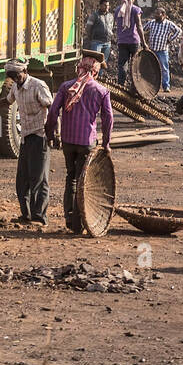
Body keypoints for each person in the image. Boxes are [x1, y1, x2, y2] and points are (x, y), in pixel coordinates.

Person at [46, 50, 114, 232]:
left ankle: (70, 218)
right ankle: (78, 221)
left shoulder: (66, 87)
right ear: (95, 72)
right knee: (82, 181)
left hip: (68, 141)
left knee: (71, 178)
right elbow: (108, 118)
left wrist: (50, 134)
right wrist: (106, 144)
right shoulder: (101, 91)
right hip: (87, 142)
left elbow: (53, 112)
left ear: (80, 69)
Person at [0, 60, 54, 227]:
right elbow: (6, 101)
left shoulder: (38, 86)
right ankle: (27, 215)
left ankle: (39, 217)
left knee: (39, 179)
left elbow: (52, 108)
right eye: (13, 77)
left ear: (25, 70)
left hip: (39, 135)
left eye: (18, 76)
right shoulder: (16, 87)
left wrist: (54, 133)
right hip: (26, 137)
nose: (16, 79)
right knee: (22, 179)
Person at [143, 5, 181, 92]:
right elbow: (143, 29)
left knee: (164, 68)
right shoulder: (152, 22)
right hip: (152, 49)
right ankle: (150, 86)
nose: (155, 15)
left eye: (158, 14)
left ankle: (166, 86)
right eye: (155, 14)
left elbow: (178, 31)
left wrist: (170, 39)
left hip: (162, 50)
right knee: (150, 67)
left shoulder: (168, 24)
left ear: (163, 15)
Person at [113, 0, 143, 84]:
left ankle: (121, 85)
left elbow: (115, 24)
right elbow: (139, 26)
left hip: (122, 41)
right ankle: (135, 86)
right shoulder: (136, 9)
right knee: (135, 65)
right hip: (134, 41)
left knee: (122, 65)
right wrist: (144, 42)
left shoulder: (118, 10)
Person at [85, 0, 113, 73]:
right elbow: (88, 28)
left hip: (107, 43)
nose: (107, 7)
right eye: (105, 5)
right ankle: (93, 77)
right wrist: (90, 38)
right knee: (95, 61)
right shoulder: (94, 15)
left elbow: (111, 27)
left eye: (108, 5)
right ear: (100, 6)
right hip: (97, 42)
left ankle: (99, 77)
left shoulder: (110, 16)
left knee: (103, 62)